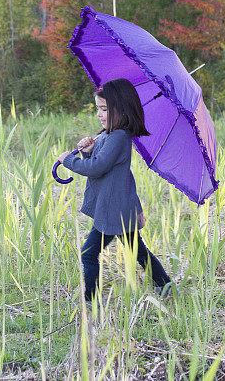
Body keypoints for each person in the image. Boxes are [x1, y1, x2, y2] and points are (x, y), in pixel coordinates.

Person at [57, 78, 173, 304]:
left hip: (112, 211)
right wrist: (89, 151)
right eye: (98, 109)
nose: (99, 114)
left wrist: (69, 161)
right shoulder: (110, 135)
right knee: (138, 251)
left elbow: (97, 168)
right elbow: (102, 167)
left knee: (88, 254)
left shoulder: (119, 136)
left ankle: (90, 301)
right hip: (118, 207)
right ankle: (165, 285)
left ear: (121, 109)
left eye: (104, 110)